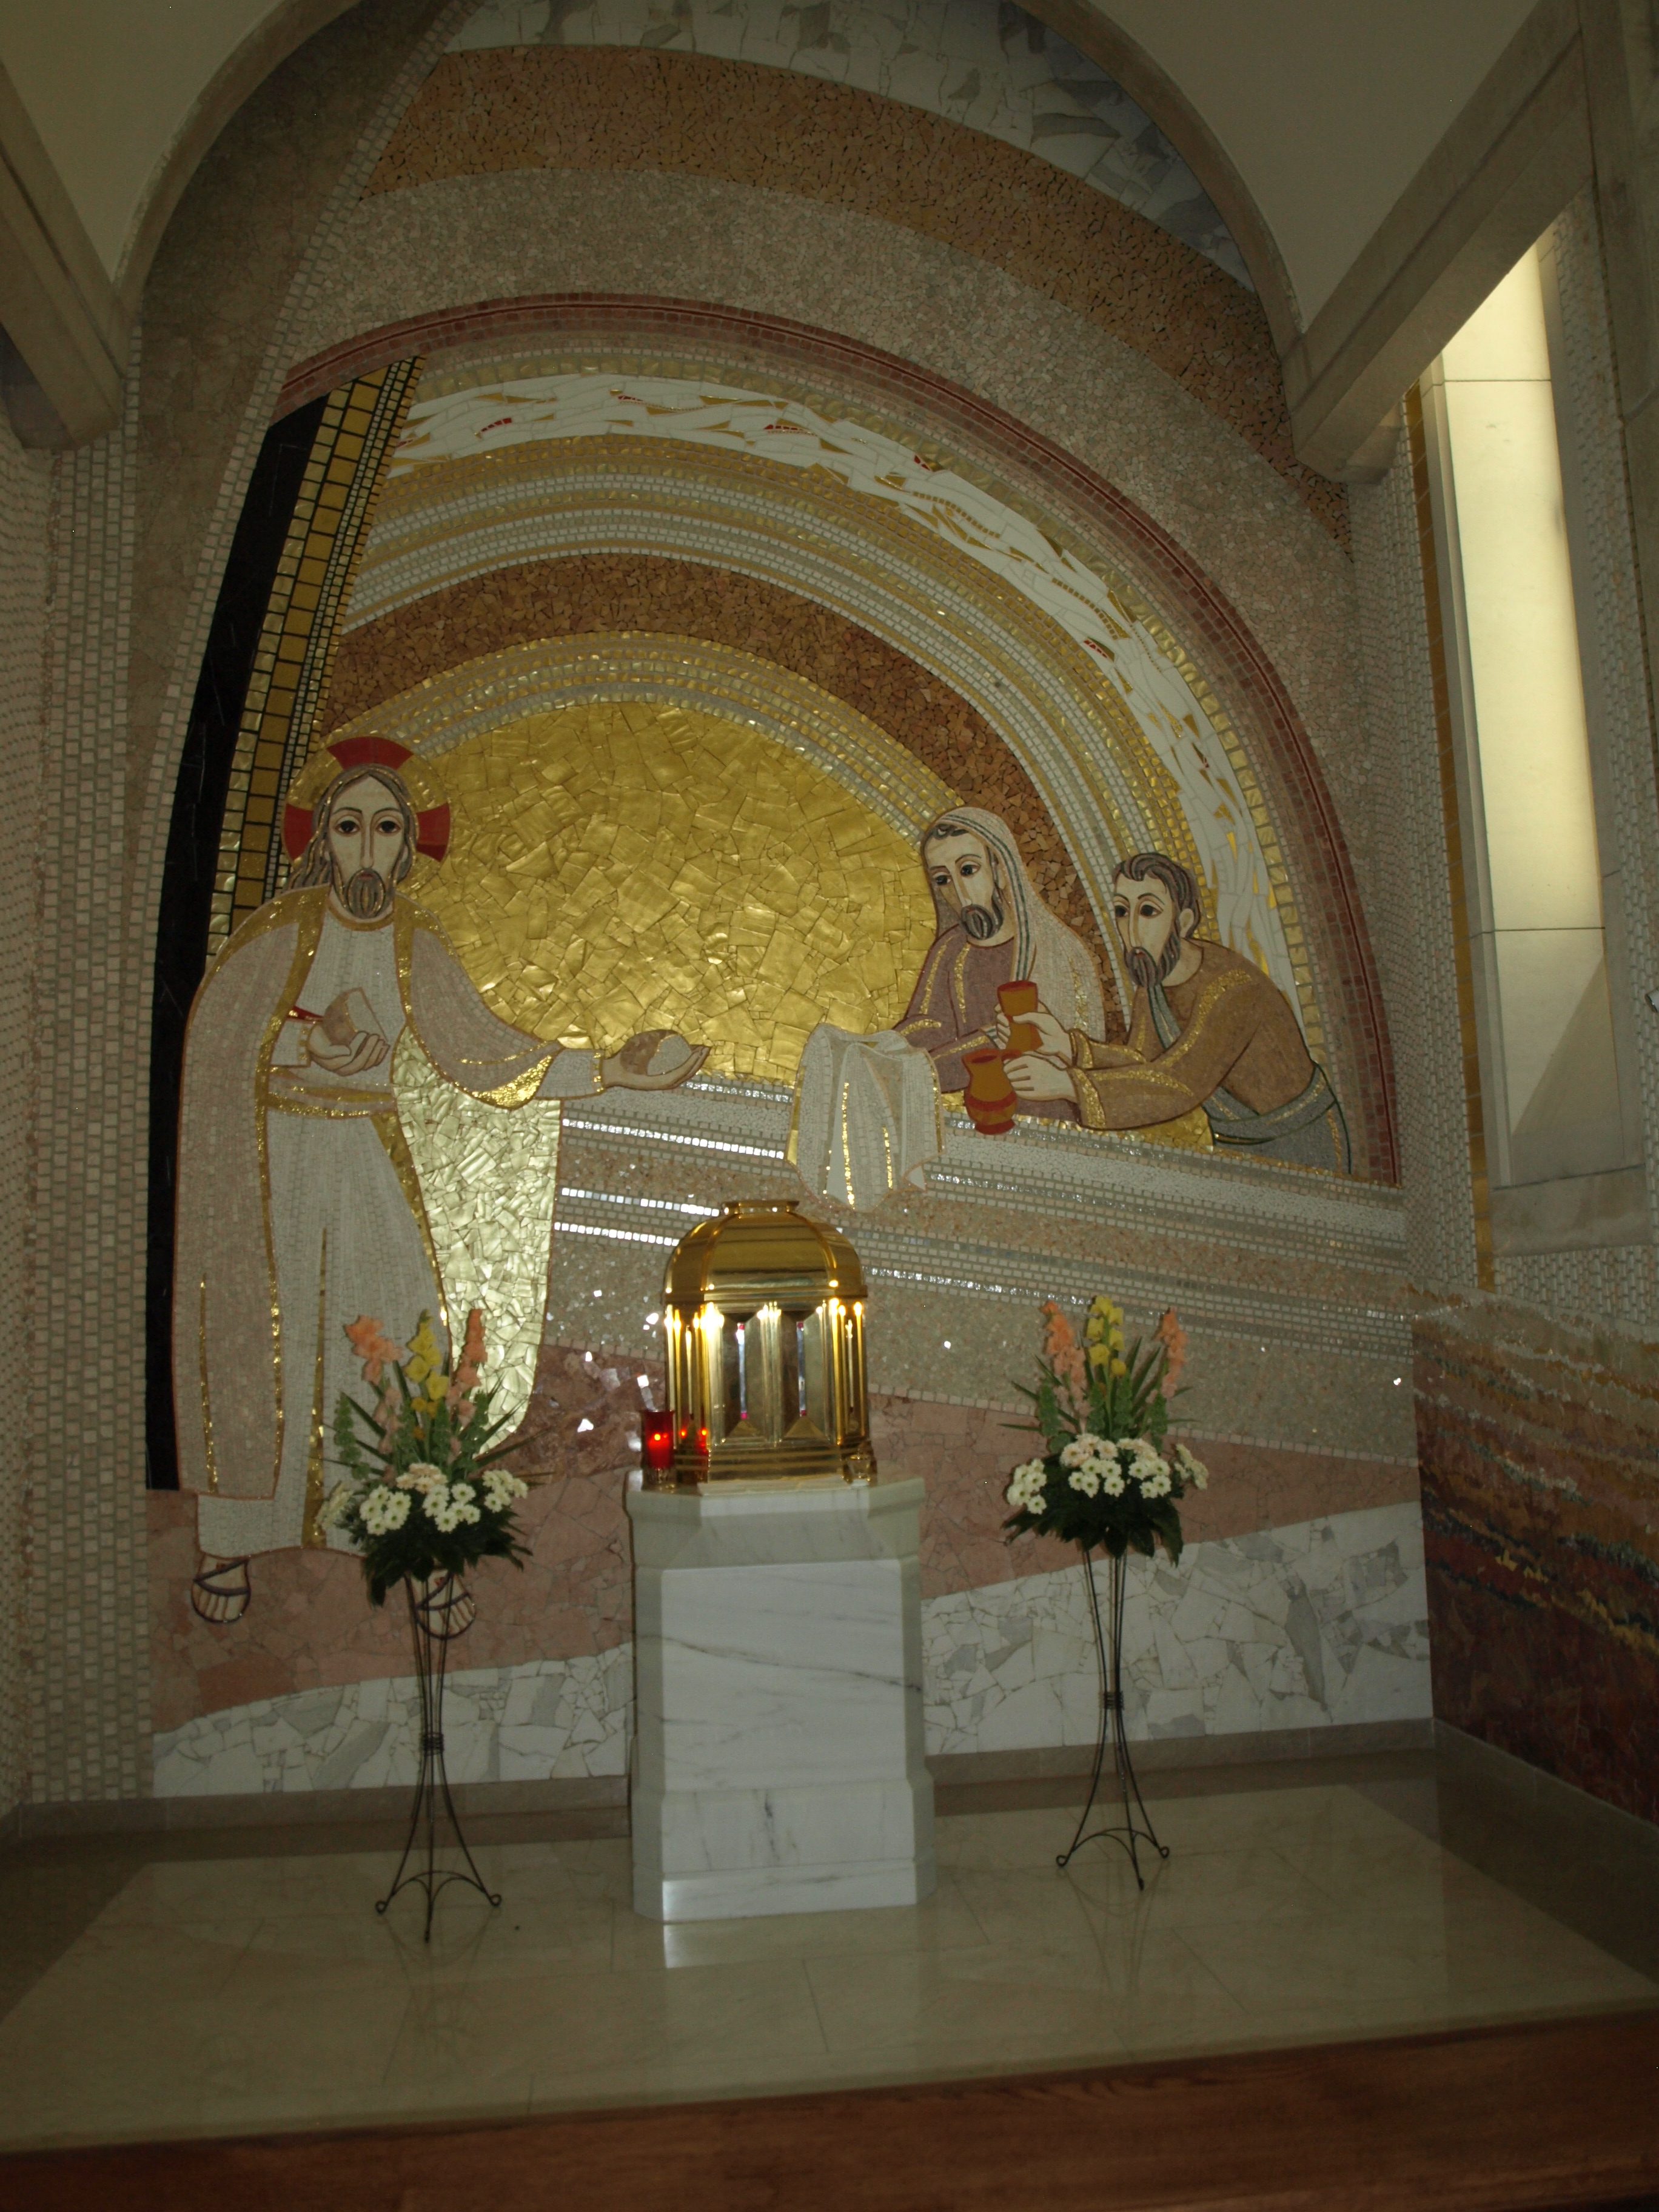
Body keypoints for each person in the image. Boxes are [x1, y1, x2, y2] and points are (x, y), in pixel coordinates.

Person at [173, 734, 702, 1624]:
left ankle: (412, 1532)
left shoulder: (417, 943)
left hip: (369, 1159)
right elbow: (219, 1037)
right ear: (322, 841)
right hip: (275, 1170)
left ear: (409, 846)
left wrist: (613, 1070)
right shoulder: (279, 934)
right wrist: (304, 1043)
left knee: (398, 1335)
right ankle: (234, 1531)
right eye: (349, 827)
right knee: (266, 1339)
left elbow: (487, 1058)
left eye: (386, 829)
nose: (366, 849)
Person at [998, 850, 1350, 1170]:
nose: (1132, 930)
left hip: (1297, 1143)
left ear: (1183, 921)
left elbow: (1178, 1084)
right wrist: (1070, 1047)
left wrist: (1069, 1085)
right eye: (1122, 911)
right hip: (1234, 1142)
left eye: (1148, 911)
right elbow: (1145, 1061)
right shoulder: (1155, 979)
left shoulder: (1234, 990)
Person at [895, 807, 1108, 1123]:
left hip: (1048, 1123)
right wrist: (886, 1048)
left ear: (1000, 869)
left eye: (969, 870)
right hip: (978, 1116)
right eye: (943, 879)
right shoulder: (951, 950)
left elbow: (1084, 1060)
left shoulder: (1056, 951)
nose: (960, 893)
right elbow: (930, 1026)